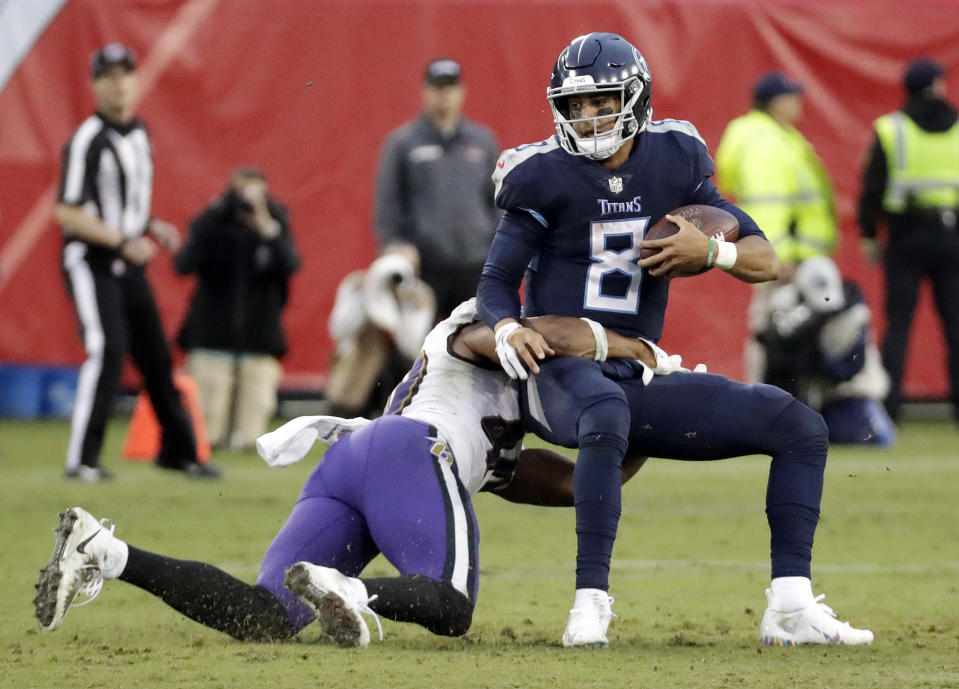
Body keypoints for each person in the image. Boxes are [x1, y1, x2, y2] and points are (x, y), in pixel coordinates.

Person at [478, 32, 870, 647]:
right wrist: (505, 327)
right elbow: (496, 283)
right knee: (605, 412)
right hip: (561, 372)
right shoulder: (539, 175)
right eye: (575, 105)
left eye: (601, 101)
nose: (587, 117)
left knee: (799, 427)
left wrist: (712, 249)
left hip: (637, 373)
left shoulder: (675, 158)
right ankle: (590, 604)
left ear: (634, 99)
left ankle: (791, 607)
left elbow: (763, 259)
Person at [32, 300, 650, 645]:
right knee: (452, 606)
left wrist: (644, 432)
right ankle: (349, 591)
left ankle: (105, 552)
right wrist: (629, 350)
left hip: (356, 462)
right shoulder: (487, 326)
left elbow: (580, 484)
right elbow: (513, 338)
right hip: (409, 452)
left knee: (265, 617)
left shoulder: (498, 436)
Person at [54, 43, 219, 480]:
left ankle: (179, 451)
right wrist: (123, 239)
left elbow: (122, 203)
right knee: (107, 349)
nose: (118, 83)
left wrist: (149, 225)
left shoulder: (139, 132)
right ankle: (82, 460)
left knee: (156, 358)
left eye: (125, 73)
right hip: (91, 260)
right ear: (94, 84)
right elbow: (68, 211)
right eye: (108, 75)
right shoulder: (88, 139)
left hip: (128, 259)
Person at [715, 71, 839, 383]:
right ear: (775, 103)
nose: (798, 103)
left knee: (778, 329)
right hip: (785, 259)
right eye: (792, 96)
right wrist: (776, 257)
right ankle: (761, 399)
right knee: (769, 330)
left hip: (793, 256)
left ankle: (768, 399)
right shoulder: (765, 142)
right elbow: (768, 205)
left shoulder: (774, 136)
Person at [858, 57, 959, 423]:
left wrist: (870, 235)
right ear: (934, 86)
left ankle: (890, 406)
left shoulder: (892, 129)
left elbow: (872, 188)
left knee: (898, 323)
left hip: (904, 237)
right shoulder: (957, 127)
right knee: (955, 323)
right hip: (951, 236)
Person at [175, 166, 301, 450]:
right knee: (206, 433)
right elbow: (184, 263)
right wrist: (216, 214)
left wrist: (267, 226)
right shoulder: (213, 224)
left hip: (260, 337)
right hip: (212, 336)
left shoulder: (275, 222)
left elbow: (291, 263)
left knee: (251, 437)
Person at [372, 57, 501, 320]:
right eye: (438, 86)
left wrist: (497, 247)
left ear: (461, 92)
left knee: (477, 343)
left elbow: (499, 198)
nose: (444, 94)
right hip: (423, 267)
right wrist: (395, 245)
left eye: (450, 86)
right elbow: (388, 203)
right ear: (425, 91)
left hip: (475, 263)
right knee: (419, 349)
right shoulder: (402, 143)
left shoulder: (482, 141)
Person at [758, 256, 896, 446]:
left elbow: (849, 368)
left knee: (861, 436)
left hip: (843, 392)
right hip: (802, 391)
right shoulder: (782, 305)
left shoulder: (853, 314)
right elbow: (773, 365)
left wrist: (812, 358)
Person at [324, 242, 435, 419]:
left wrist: (401, 307)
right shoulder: (357, 284)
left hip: (399, 368)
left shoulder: (420, 295)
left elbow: (411, 345)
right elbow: (340, 332)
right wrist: (366, 296)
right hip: (359, 369)